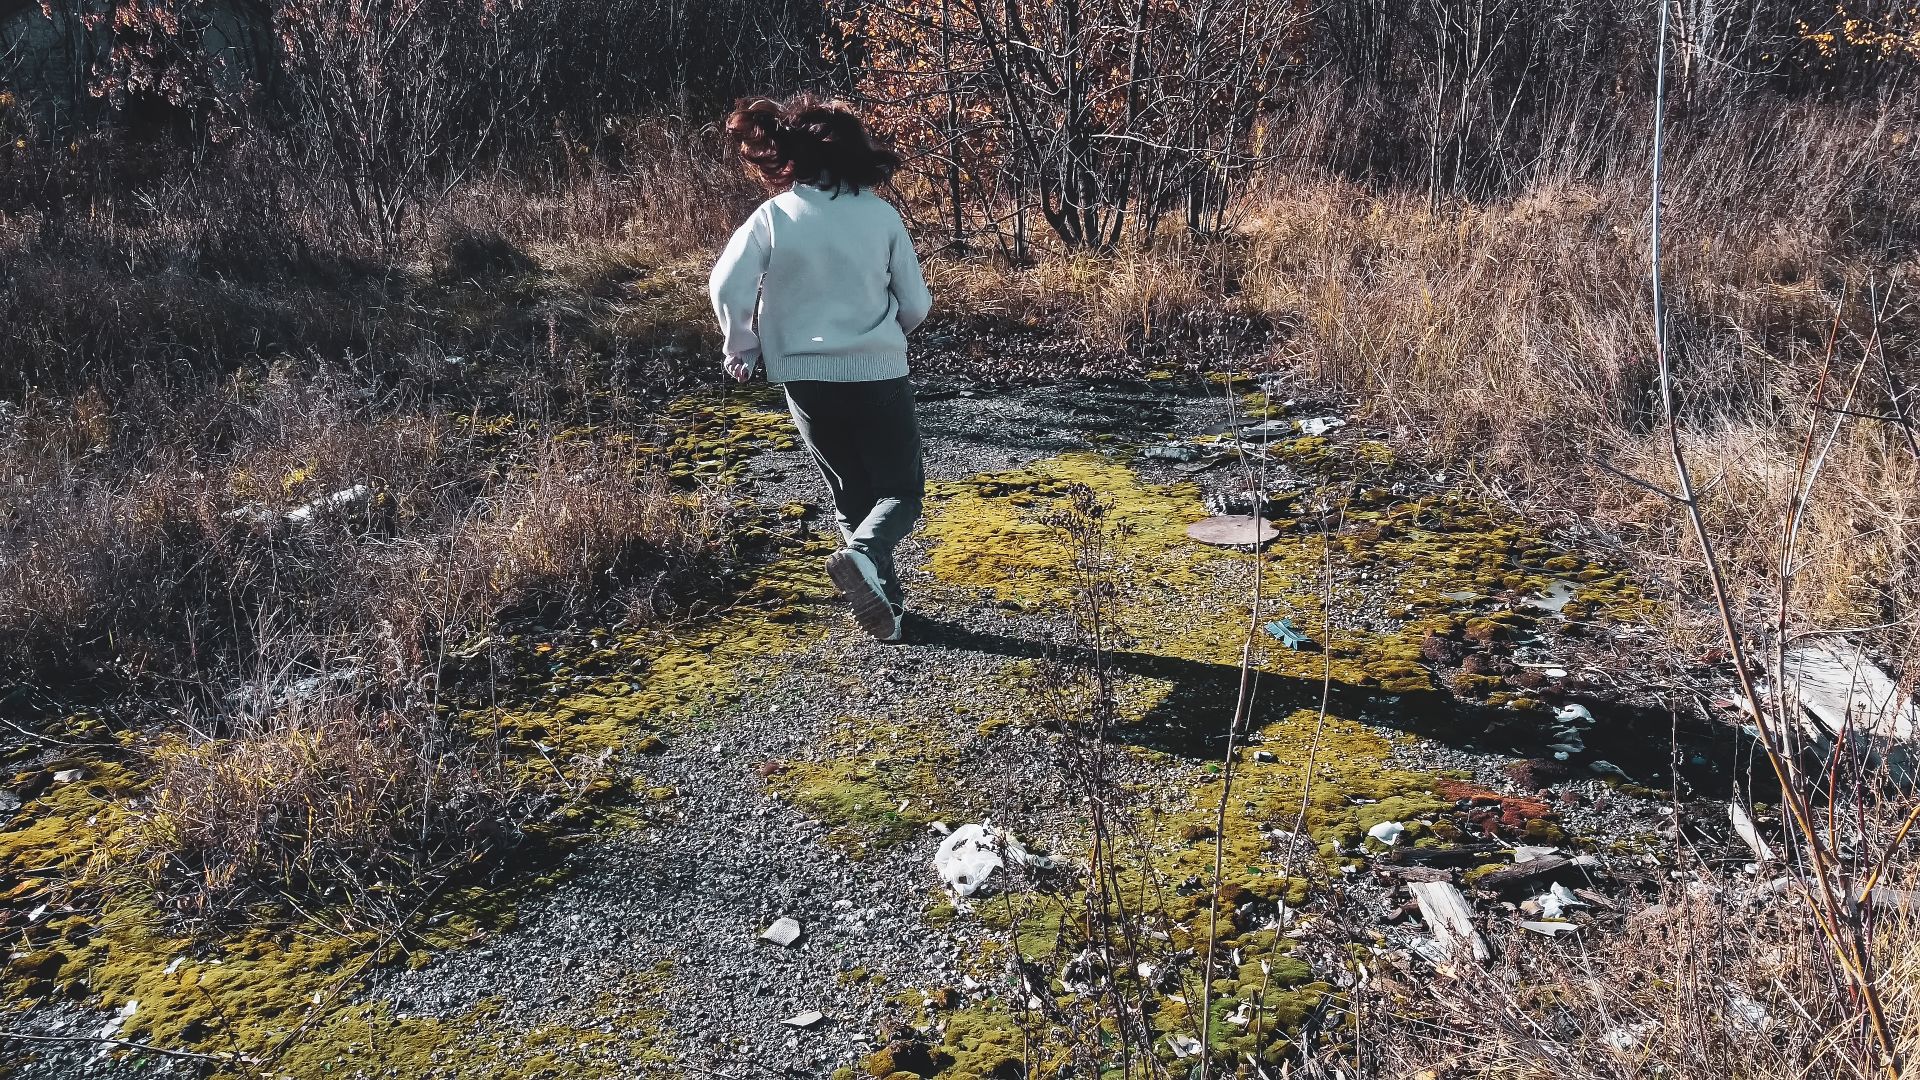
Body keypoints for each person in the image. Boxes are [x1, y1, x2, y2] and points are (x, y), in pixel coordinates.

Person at [708, 96, 932, 644]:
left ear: (793, 156)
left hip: (804, 377)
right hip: (876, 370)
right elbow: (917, 304)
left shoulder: (774, 216)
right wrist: (891, 332)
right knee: (900, 491)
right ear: (857, 153)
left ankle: (888, 607)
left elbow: (725, 284)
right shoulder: (881, 215)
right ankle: (864, 558)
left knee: (850, 491)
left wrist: (742, 344)